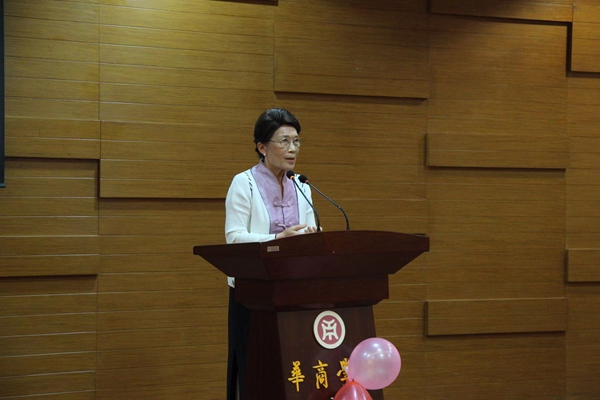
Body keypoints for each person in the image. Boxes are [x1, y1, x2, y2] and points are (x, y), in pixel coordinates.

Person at [224, 108, 318, 400]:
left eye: (296, 141)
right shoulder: (244, 183)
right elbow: (234, 238)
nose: (293, 149)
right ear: (262, 147)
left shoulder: (301, 184)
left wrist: (312, 235)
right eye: (284, 141)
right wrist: (277, 239)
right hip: (253, 293)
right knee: (257, 371)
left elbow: (310, 230)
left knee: (293, 368)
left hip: (294, 291)